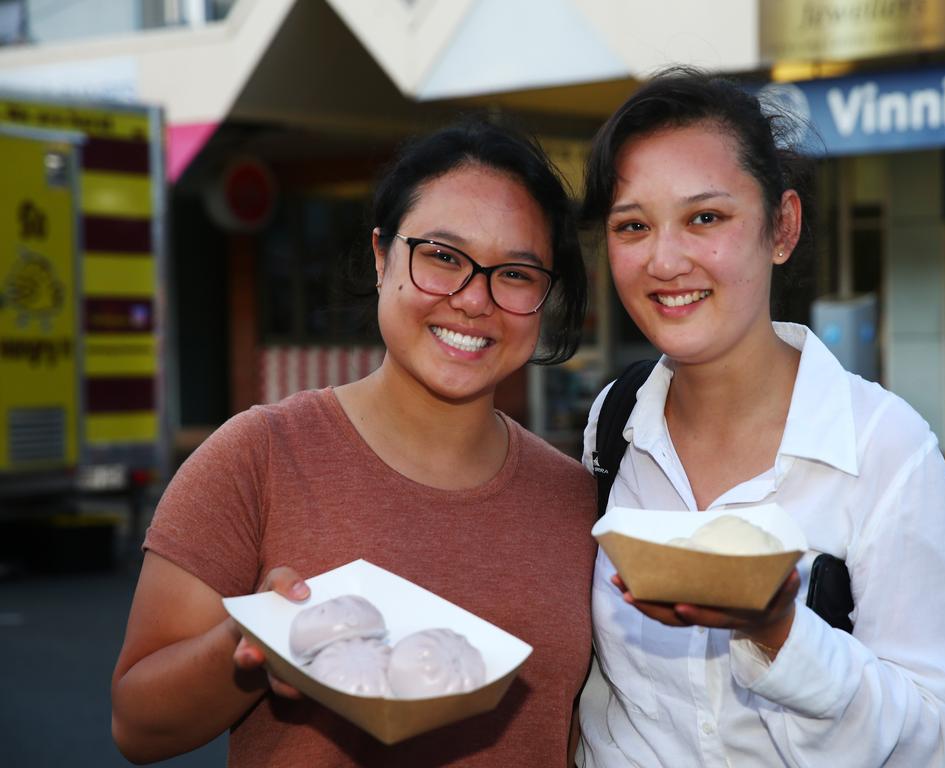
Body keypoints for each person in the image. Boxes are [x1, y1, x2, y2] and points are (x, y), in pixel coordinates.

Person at [111, 119, 597, 767]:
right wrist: (253, 642)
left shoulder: (576, 499)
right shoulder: (259, 456)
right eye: (443, 257)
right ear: (380, 257)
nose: (474, 300)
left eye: (515, 273)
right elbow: (138, 725)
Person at [576, 68, 945, 767]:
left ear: (782, 227)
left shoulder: (886, 450)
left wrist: (782, 634)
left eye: (706, 217)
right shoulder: (615, 424)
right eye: (633, 226)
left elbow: (941, 742)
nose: (665, 260)